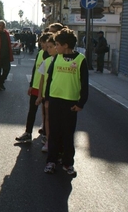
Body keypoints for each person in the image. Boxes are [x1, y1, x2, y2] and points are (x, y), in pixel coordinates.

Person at [43, 28, 89, 176]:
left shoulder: (80, 59)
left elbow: (84, 83)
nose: (55, 47)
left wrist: (81, 103)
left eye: (57, 44)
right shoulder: (56, 58)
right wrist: (47, 99)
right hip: (55, 99)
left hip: (70, 102)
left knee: (68, 134)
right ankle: (51, 161)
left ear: (66, 45)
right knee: (54, 132)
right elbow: (50, 79)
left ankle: (68, 163)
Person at [36, 34, 57, 152]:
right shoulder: (47, 61)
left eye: (51, 47)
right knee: (48, 119)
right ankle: (48, 141)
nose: (48, 49)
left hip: (59, 96)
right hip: (46, 96)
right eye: (47, 47)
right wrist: (39, 96)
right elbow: (42, 80)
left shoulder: (61, 61)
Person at [0, 20, 13, 91]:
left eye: (2, 25)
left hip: (6, 56)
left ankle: (1, 82)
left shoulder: (6, 34)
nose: (1, 27)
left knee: (7, 69)